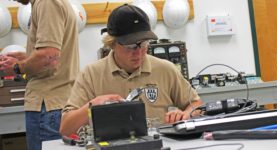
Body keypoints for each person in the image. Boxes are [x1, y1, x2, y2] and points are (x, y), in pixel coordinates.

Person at [59, 4, 202, 136]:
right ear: (112, 43)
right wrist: (94, 105)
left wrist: (185, 115)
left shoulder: (165, 69)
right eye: (131, 46)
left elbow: (197, 105)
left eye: (144, 44)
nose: (139, 53)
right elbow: (66, 128)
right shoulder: (91, 74)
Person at [0, 0, 79, 150]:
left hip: (48, 105)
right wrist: (27, 57)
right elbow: (55, 55)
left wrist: (16, 67)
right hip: (55, 103)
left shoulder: (46, 3)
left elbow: (48, 57)